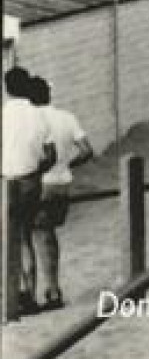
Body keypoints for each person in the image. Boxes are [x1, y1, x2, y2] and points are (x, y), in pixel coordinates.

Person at [27, 77, 92, 312]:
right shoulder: (66, 117)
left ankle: (47, 292)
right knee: (47, 235)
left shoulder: (32, 121)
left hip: (39, 184)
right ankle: (51, 288)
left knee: (36, 237)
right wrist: (66, 165)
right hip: (62, 184)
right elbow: (86, 150)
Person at [3, 56, 56, 320]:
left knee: (9, 238)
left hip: (6, 182)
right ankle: (30, 294)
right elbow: (51, 154)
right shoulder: (38, 114)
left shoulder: (3, 114)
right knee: (25, 237)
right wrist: (36, 171)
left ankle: (12, 296)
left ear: (7, 88)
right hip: (31, 180)